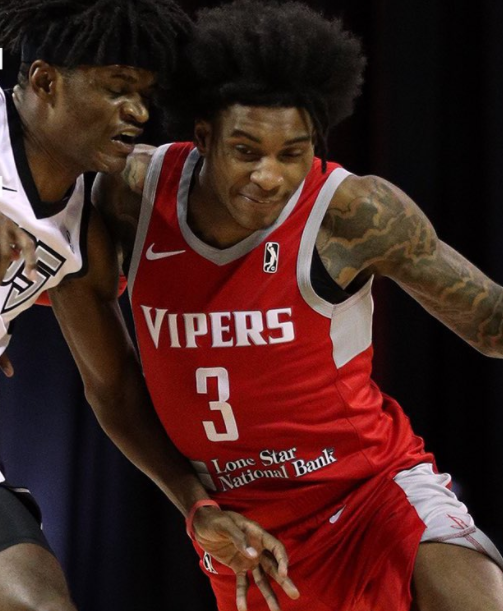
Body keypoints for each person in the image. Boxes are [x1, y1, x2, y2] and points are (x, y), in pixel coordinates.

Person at [94, 2, 503, 610]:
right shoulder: (131, 198)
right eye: (246, 152)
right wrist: (194, 504)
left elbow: (498, 319)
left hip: (372, 490)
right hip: (244, 530)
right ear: (203, 136)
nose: (269, 176)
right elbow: (113, 388)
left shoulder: (351, 213)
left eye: (292, 153)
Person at [0, 2, 296, 610]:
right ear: (45, 81)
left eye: (143, 94)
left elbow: (114, 391)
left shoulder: (82, 234)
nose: (137, 111)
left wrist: (196, 504)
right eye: (117, 88)